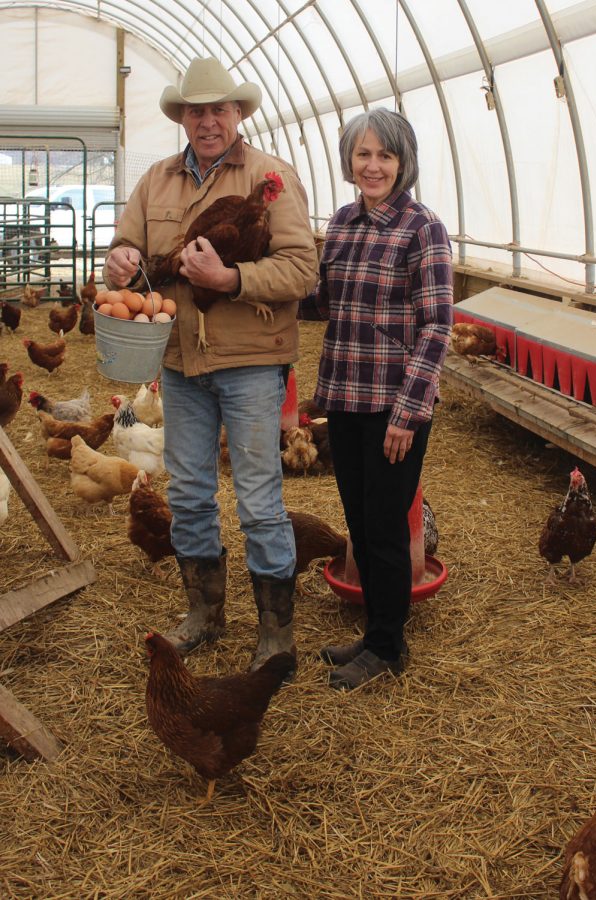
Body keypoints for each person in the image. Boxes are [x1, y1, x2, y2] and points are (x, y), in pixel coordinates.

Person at [104, 57, 318, 673]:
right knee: (192, 493)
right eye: (196, 111)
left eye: (218, 109)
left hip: (251, 360)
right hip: (178, 360)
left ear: (238, 113)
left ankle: (276, 632)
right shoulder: (156, 181)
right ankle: (204, 612)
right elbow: (127, 254)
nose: (207, 121)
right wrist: (119, 263)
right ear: (183, 117)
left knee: (257, 496)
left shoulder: (272, 175)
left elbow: (303, 269)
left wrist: (231, 277)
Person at [299, 108, 453, 691]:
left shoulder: (422, 229)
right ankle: (373, 631)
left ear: (402, 162)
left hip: (394, 407)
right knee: (361, 523)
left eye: (384, 155)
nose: (372, 165)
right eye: (362, 154)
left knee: (387, 526)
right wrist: (257, 290)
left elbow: (436, 326)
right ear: (349, 160)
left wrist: (408, 414)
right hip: (343, 396)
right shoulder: (340, 223)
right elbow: (323, 302)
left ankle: (389, 647)